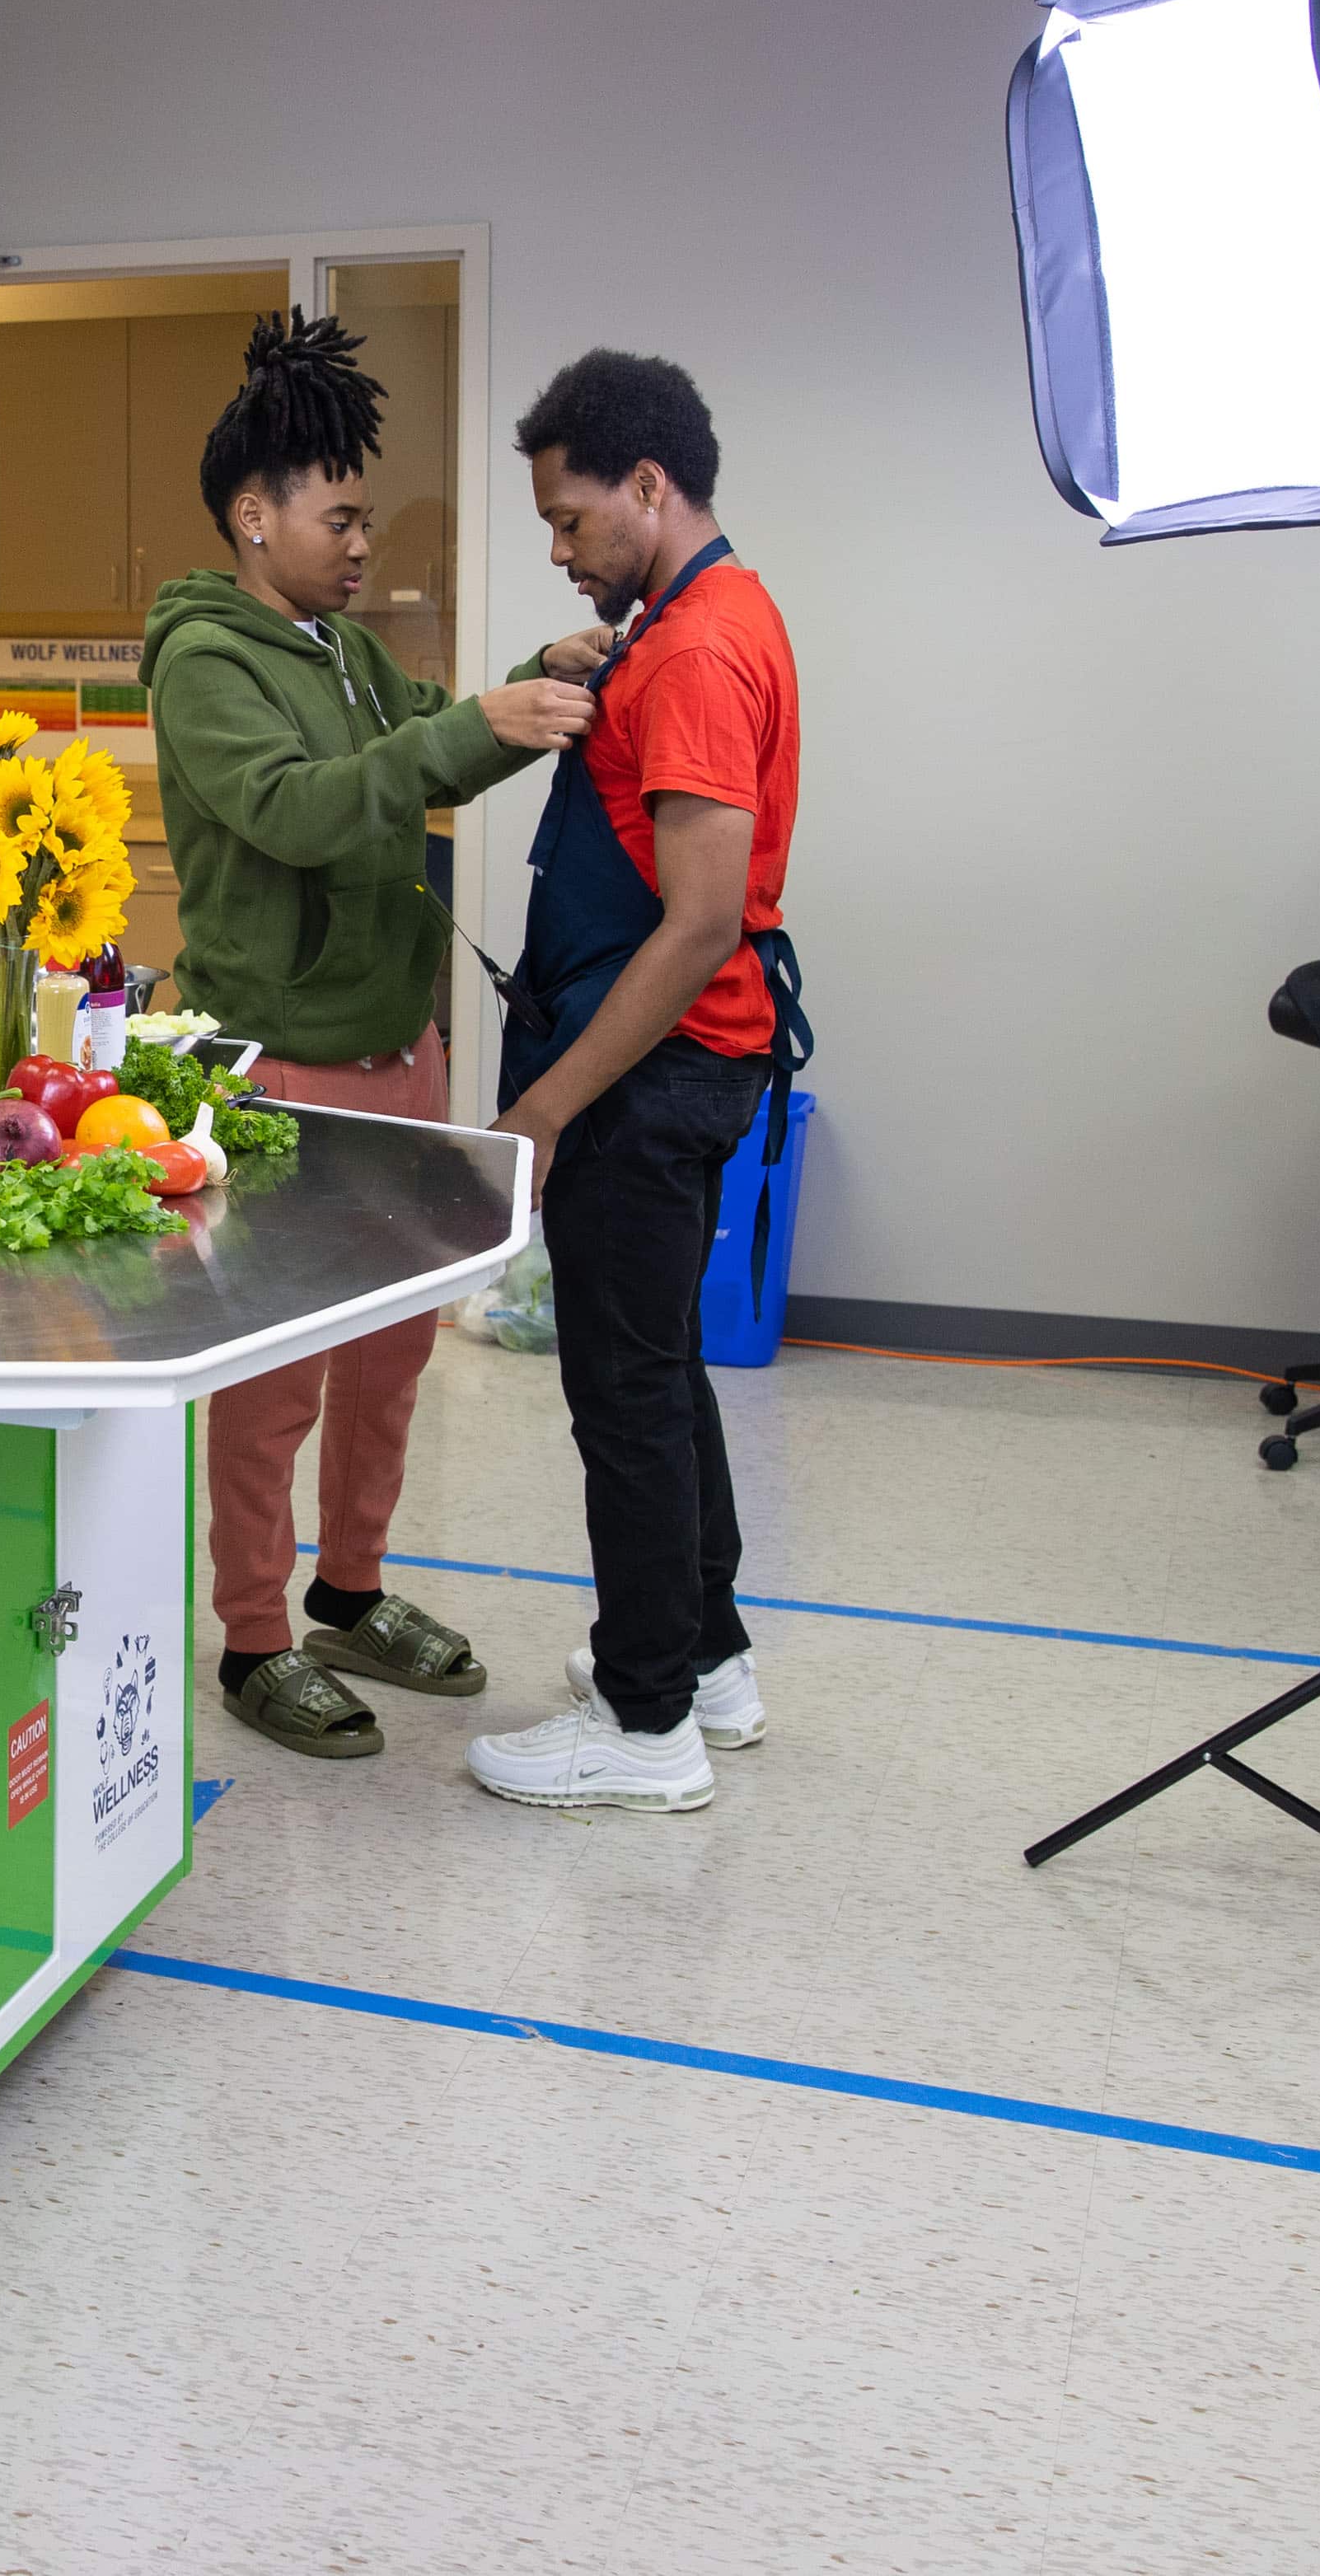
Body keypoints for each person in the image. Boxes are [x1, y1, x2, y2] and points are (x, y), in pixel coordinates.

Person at [141, 315, 596, 1760]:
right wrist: (476, 726)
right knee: (273, 1387)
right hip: (279, 1067)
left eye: (360, 516)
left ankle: (351, 1588)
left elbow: (427, 730)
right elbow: (306, 803)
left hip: (398, 1053)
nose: (355, 543)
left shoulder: (337, 647)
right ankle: (255, 1638)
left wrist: (543, 674)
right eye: (335, 516)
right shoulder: (203, 664)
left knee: (393, 1354)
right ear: (250, 514)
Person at [467, 350, 803, 1816]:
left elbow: (698, 920)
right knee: (659, 1368)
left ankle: (644, 1716)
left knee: (622, 1395)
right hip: (674, 1067)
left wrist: (548, 1102)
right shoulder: (696, 617)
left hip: (651, 1079)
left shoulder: (694, 652)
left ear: (647, 488)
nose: (556, 545)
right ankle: (704, 1657)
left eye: (567, 516)